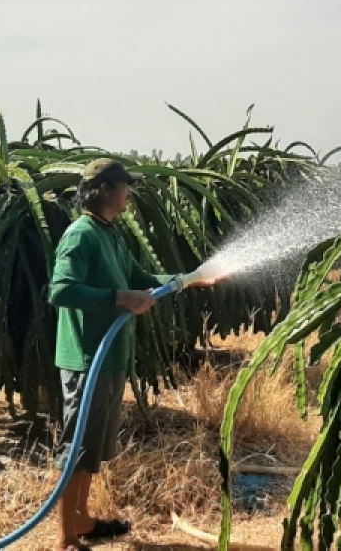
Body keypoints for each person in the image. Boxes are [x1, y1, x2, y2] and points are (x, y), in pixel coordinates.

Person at [47, 158, 218, 551]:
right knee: (75, 449)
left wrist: (188, 280)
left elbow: (140, 280)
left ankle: (83, 520)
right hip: (85, 361)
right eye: (125, 185)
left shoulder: (111, 235)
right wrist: (118, 298)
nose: (129, 192)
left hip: (108, 360)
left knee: (92, 449)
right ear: (106, 190)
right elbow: (61, 290)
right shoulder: (82, 236)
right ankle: (64, 538)